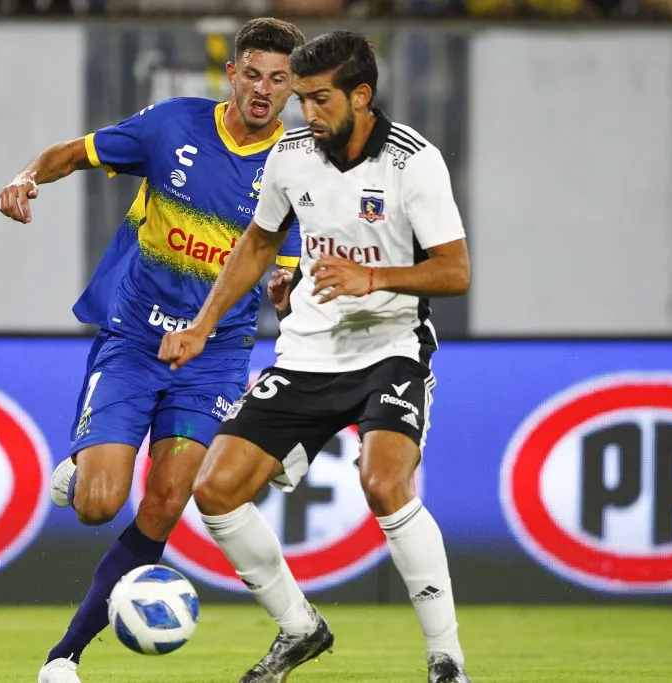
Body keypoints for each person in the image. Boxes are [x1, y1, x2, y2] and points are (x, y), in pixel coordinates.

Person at [0, 17, 305, 683]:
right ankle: (82, 474)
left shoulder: (298, 167)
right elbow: (76, 152)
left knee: (167, 499)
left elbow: (285, 265)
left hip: (215, 354)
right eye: (253, 73)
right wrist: (27, 176)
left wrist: (287, 287)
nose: (263, 89)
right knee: (98, 506)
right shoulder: (172, 126)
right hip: (137, 336)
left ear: (292, 88)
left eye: (279, 79)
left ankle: (64, 656)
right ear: (232, 73)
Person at [159, 30, 473, 683]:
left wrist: (375, 278)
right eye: (301, 98)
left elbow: (455, 270)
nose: (305, 113)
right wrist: (200, 325)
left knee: (385, 481)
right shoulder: (293, 155)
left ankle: (447, 659)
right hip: (307, 350)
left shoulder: (415, 162)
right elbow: (257, 244)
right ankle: (299, 627)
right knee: (215, 490)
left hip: (390, 345)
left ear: (362, 95)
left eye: (319, 99)